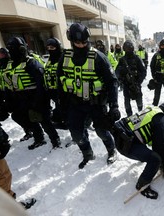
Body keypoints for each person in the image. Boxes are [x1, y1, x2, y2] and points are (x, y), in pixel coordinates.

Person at [57, 23, 120, 168]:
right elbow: (60, 82)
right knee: (77, 134)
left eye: (84, 42)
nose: (81, 45)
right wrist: (61, 104)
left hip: (96, 103)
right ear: (71, 40)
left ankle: (112, 150)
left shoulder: (99, 57)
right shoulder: (65, 58)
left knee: (102, 131)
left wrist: (114, 105)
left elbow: (112, 82)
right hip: (75, 103)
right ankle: (87, 154)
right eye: (77, 43)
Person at [4, 37, 61, 150]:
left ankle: (55, 141)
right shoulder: (11, 65)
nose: (11, 52)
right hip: (20, 98)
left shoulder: (31, 63)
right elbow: (8, 83)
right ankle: (39, 138)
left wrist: (39, 101)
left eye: (13, 49)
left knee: (44, 121)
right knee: (29, 120)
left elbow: (41, 83)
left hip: (35, 96)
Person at [111, 102, 164, 199]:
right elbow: (160, 146)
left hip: (122, 135)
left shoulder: (152, 110)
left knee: (151, 155)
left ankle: (143, 156)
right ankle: (142, 185)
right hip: (126, 144)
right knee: (155, 159)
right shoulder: (160, 120)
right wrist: (163, 164)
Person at [0, 48, 33, 142]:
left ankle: (32, 130)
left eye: (2, 54)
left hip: (15, 93)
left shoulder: (10, 64)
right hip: (5, 94)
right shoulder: (0, 66)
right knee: (16, 115)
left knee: (19, 114)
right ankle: (29, 130)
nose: (0, 56)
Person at [115, 40, 146, 116]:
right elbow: (117, 72)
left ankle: (140, 113)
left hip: (136, 83)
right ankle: (129, 115)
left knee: (139, 99)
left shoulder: (137, 58)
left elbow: (143, 71)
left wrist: (139, 81)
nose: (128, 50)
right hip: (126, 84)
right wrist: (121, 79)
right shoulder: (122, 60)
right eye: (127, 48)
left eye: (130, 48)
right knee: (127, 100)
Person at [44, 37, 67, 129]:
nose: (50, 50)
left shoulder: (64, 59)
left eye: (52, 48)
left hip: (63, 91)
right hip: (52, 90)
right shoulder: (49, 60)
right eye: (48, 48)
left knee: (66, 111)